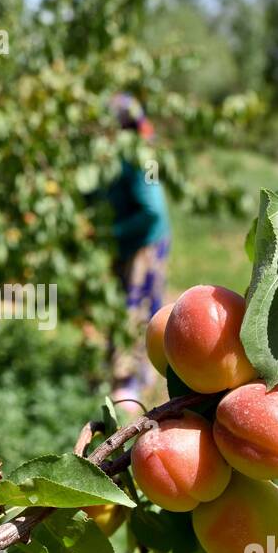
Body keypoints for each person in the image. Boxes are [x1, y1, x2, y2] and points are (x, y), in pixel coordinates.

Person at [104, 93, 170, 406]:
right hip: (129, 241)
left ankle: (131, 382)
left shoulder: (137, 157)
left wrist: (110, 232)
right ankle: (127, 372)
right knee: (122, 306)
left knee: (137, 307)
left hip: (144, 242)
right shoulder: (116, 154)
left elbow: (152, 211)